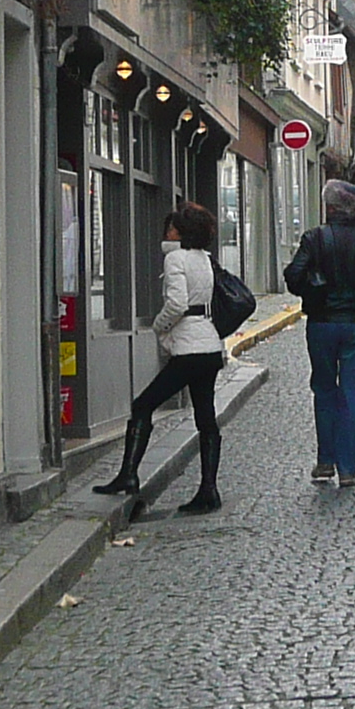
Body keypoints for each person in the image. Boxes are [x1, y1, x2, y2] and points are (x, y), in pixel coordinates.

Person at [95, 201, 226, 513]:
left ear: (180, 232)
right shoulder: (204, 259)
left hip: (188, 349)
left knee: (143, 405)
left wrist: (158, 326)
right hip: (209, 347)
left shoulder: (175, 258)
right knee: (206, 418)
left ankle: (128, 475)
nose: (166, 232)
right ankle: (209, 489)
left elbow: (178, 303)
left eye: (171, 227)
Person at [284, 178, 355, 487]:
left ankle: (324, 462)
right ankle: (347, 468)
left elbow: (293, 277)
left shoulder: (315, 239)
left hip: (321, 324)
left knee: (324, 390)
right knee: (352, 396)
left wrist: (313, 287)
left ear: (330, 207)